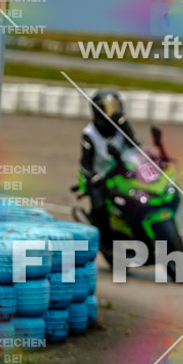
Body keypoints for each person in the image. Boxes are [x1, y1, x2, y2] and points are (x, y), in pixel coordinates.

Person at [79, 89, 142, 248]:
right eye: (108, 108)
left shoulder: (122, 126)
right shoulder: (89, 133)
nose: (114, 112)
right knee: (99, 207)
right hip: (99, 176)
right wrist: (93, 177)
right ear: (98, 111)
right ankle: (104, 241)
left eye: (116, 107)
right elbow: (85, 163)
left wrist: (125, 128)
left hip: (123, 172)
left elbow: (137, 147)